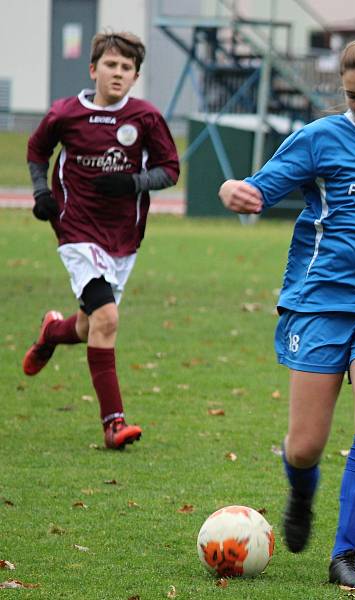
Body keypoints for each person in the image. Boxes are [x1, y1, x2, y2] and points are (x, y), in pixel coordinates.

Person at [218, 24, 355, 588]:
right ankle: (300, 494)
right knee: (305, 446)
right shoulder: (321, 138)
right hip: (320, 304)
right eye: (352, 96)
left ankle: (347, 556)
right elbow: (260, 187)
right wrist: (235, 191)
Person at [24, 31, 180, 450]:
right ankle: (114, 424)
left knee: (90, 324)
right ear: (93, 69)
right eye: (110, 65)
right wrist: (41, 193)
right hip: (75, 228)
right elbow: (37, 151)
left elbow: (170, 169)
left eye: (126, 68)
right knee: (108, 319)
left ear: (135, 77)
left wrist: (131, 182)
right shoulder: (65, 113)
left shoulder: (145, 118)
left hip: (123, 236)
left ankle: (53, 333)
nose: (118, 73)